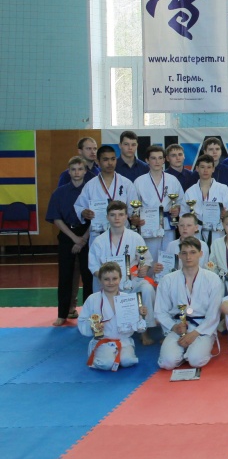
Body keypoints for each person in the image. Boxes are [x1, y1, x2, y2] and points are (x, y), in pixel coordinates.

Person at [87, 200, 155, 345]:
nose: (117, 218)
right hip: (108, 284)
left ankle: (144, 330)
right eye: (113, 215)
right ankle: (102, 328)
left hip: (132, 280)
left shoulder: (135, 237)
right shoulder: (99, 241)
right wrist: (108, 280)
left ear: (126, 217)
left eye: (121, 214)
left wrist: (144, 268)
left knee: (147, 288)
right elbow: (93, 267)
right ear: (107, 217)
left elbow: (146, 259)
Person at [154, 236, 224, 369]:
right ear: (179, 255)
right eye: (184, 253)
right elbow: (160, 311)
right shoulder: (168, 280)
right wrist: (174, 327)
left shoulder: (213, 279)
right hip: (178, 326)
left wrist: (195, 333)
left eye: (193, 252)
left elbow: (214, 314)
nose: (188, 257)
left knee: (195, 361)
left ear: (200, 254)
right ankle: (181, 353)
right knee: (167, 363)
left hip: (202, 327)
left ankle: (194, 350)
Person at [47, 156, 92, 326]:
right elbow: (56, 218)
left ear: (85, 171)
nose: (77, 172)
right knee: (65, 275)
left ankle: (89, 314)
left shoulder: (92, 191)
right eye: (73, 169)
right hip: (67, 234)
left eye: (80, 169)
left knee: (88, 276)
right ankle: (62, 314)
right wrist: (74, 239)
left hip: (87, 233)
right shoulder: (59, 193)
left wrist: (83, 239)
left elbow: (98, 217)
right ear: (69, 171)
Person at [78, 263, 146, 370]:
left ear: (120, 279)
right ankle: (98, 352)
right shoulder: (92, 299)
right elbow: (82, 320)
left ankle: (119, 355)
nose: (111, 282)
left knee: (128, 361)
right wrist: (92, 326)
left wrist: (141, 315)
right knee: (106, 364)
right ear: (100, 280)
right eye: (106, 279)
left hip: (123, 340)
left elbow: (139, 327)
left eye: (114, 279)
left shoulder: (128, 299)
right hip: (103, 341)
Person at [132, 145, 184, 267]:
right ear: (147, 160)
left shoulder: (172, 180)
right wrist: (136, 218)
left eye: (160, 158)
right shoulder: (139, 181)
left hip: (168, 226)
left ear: (164, 160)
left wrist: (177, 209)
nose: (157, 161)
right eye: (153, 158)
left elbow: (181, 201)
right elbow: (134, 206)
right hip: (148, 225)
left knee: (168, 259)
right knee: (150, 260)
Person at [74, 145, 137, 243]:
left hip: (122, 233)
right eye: (105, 159)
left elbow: (134, 209)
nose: (110, 163)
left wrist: (135, 217)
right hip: (98, 234)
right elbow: (79, 206)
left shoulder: (126, 183)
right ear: (98, 162)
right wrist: (83, 212)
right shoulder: (90, 185)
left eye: (113, 159)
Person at [182, 154, 228, 245]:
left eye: (209, 167)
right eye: (202, 167)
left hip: (217, 232)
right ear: (197, 168)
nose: (205, 170)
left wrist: (226, 214)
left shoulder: (223, 189)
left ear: (213, 169)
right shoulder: (190, 191)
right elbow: (183, 214)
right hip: (196, 232)